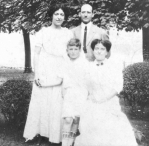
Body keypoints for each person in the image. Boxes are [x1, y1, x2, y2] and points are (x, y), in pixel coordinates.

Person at [23, 4, 73, 145]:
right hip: (45, 70)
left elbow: (70, 55)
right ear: (51, 15)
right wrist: (37, 74)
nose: (59, 17)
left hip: (61, 69)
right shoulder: (43, 32)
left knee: (57, 102)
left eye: (62, 14)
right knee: (42, 102)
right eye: (56, 14)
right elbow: (37, 54)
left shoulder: (68, 33)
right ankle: (40, 133)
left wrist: (66, 74)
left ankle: (55, 136)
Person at [74, 39, 138, 146]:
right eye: (96, 48)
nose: (99, 51)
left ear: (107, 51)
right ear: (93, 51)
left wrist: (104, 99)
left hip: (109, 101)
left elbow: (118, 86)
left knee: (110, 128)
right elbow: (85, 84)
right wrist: (90, 96)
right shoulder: (88, 67)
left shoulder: (113, 66)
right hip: (93, 101)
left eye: (102, 49)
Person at [39, 38, 89, 146]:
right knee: (67, 120)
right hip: (69, 94)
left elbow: (89, 81)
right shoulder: (64, 63)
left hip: (81, 94)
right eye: (71, 49)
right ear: (67, 50)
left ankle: (70, 142)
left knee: (76, 120)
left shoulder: (84, 63)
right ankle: (65, 144)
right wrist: (44, 84)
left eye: (76, 49)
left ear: (79, 50)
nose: (73, 51)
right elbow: (59, 80)